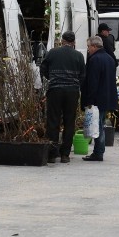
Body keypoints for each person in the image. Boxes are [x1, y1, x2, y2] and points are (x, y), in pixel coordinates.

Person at [40, 31, 86, 164]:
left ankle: (52, 154)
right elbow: (83, 75)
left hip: (55, 90)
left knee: (53, 121)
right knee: (69, 122)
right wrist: (75, 84)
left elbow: (43, 68)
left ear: (62, 40)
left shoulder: (52, 52)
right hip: (72, 92)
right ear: (74, 42)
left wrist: (52, 79)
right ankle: (65, 155)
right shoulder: (78, 55)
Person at [80, 35, 119, 161]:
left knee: (98, 126)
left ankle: (98, 152)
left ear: (94, 46)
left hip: (97, 98)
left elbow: (92, 82)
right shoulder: (109, 58)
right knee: (100, 124)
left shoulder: (95, 59)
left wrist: (89, 100)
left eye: (89, 47)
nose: (88, 49)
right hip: (107, 97)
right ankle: (98, 151)